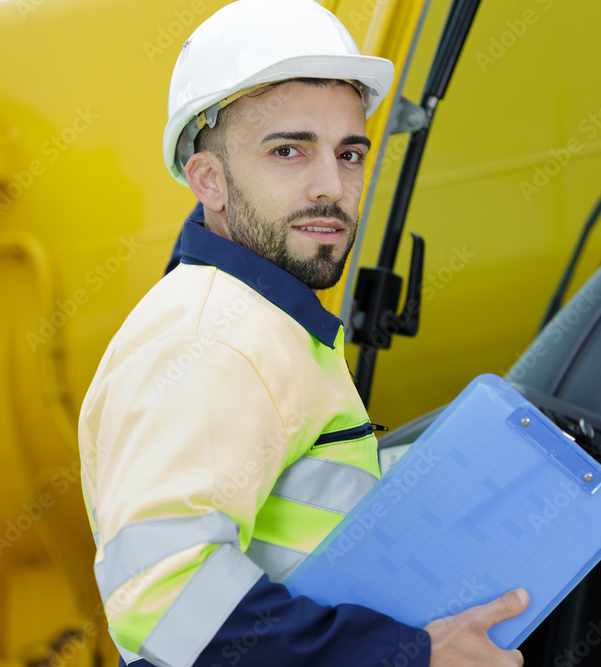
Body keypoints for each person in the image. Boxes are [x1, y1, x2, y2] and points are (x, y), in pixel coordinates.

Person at [77, 1, 529, 665]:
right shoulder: (212, 338)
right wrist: (404, 654)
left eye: (350, 154)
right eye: (289, 150)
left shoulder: (268, 326)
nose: (332, 186)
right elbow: (165, 595)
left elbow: (301, 513)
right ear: (209, 180)